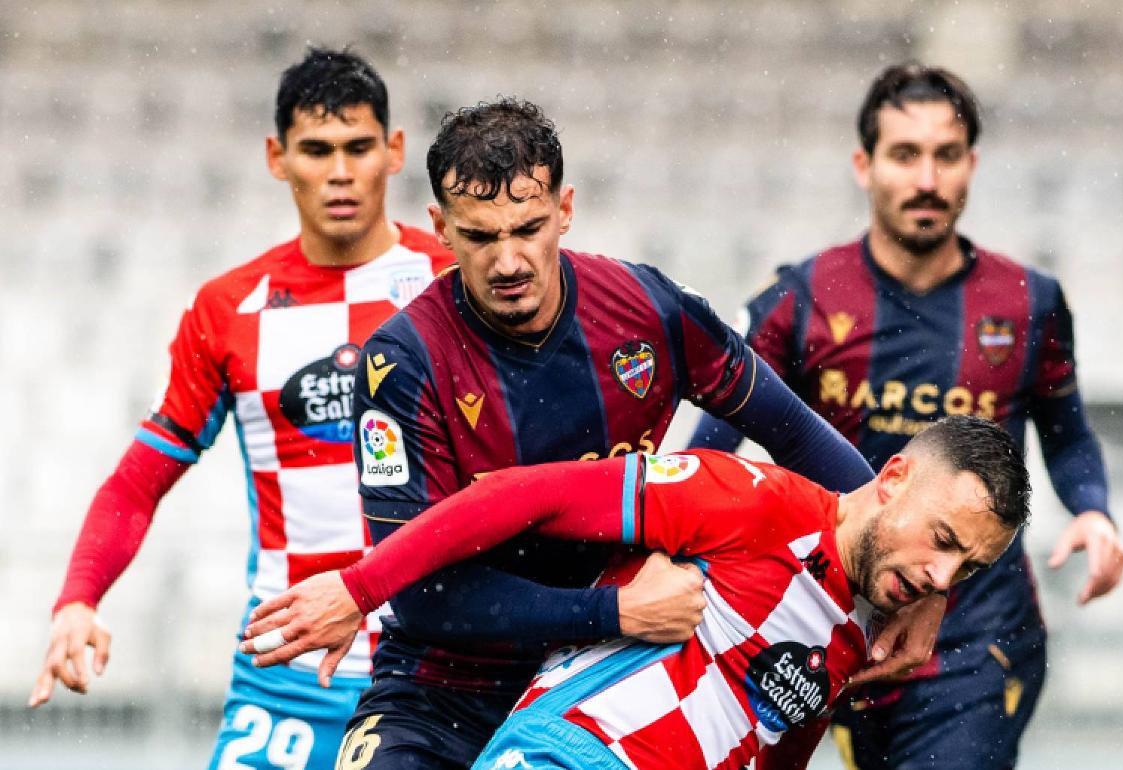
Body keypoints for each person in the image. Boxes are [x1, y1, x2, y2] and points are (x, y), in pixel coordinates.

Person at [229, 98, 943, 770]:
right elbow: (420, 594)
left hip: (610, 674)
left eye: (527, 229)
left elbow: (794, 430)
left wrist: (922, 595)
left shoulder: (647, 309)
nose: (507, 262)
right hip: (444, 683)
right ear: (442, 229)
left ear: (564, 211)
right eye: (479, 237)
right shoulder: (402, 362)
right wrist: (613, 608)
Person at [690, 63, 1123, 769]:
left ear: (971, 166)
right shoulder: (799, 299)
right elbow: (712, 439)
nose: (927, 178)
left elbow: (1068, 431)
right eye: (905, 155)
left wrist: (1094, 509)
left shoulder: (1027, 301)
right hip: (839, 631)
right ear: (864, 165)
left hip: (977, 640)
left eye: (945, 156)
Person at [28, 48, 456, 770]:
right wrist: (78, 599)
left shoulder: (451, 284)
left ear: (395, 151)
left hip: (431, 668)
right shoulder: (229, 309)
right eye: (316, 151)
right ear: (276, 158)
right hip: (285, 674)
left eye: (358, 148)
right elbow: (139, 480)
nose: (341, 172)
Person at [241, 415, 1029, 770]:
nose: (942, 577)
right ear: (891, 480)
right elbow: (524, 496)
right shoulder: (752, 500)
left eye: (968, 569)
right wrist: (361, 584)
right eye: (944, 543)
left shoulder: (856, 633)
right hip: (575, 753)